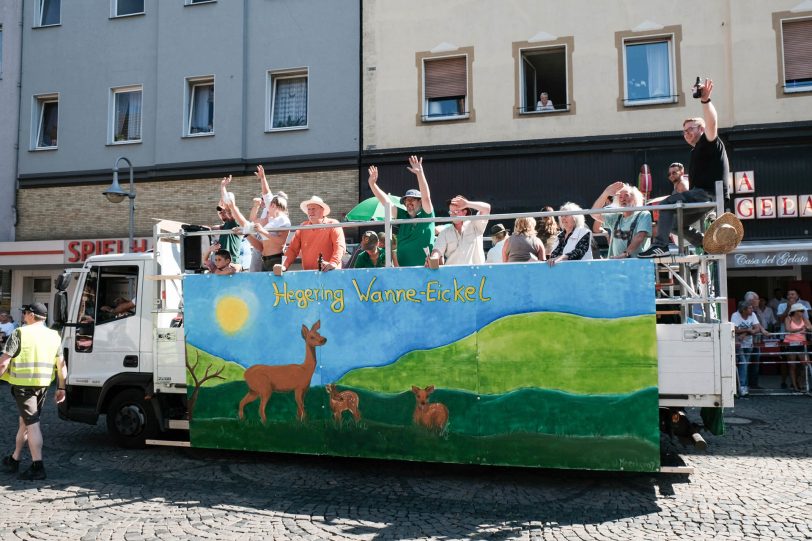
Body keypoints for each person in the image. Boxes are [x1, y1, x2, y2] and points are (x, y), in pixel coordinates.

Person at [639, 78, 730, 258]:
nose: (686, 133)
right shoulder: (696, 151)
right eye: (684, 131)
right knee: (674, 224)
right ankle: (705, 244)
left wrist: (705, 100)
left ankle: (660, 246)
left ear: (701, 130)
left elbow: (712, 123)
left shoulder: (709, 142)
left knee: (667, 204)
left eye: (691, 129)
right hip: (702, 194)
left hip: (708, 193)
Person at [0, 303, 66, 480]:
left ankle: (38, 466)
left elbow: (3, 363)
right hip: (43, 385)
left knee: (32, 423)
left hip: (23, 386)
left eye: (25, 313)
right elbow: (61, 365)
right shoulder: (54, 336)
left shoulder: (20, 333)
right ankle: (15, 458)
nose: (23, 316)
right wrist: (61, 387)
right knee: (25, 422)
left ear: (30, 315)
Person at [367, 159, 435, 267]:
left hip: (425, 269)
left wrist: (420, 174)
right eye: (406, 200)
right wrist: (372, 184)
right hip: (404, 271)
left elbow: (426, 197)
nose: (408, 203)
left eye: (412, 199)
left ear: (420, 202)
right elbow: (386, 202)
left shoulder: (427, 214)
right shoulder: (402, 215)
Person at [280, 195, 346, 272]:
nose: (311, 212)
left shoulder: (333, 224)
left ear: (322, 210)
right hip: (309, 275)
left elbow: (340, 246)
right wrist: (284, 266)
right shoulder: (303, 227)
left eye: (314, 209)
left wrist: (333, 263)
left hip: (330, 273)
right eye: (309, 209)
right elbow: (292, 249)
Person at [590, 182, 652, 258]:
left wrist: (624, 254)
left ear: (635, 198)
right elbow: (594, 214)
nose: (623, 199)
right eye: (620, 197)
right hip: (616, 263)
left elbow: (640, 237)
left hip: (637, 264)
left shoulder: (643, 214)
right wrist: (605, 193)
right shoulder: (615, 217)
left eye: (626, 195)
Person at [430, 195, 491, 266]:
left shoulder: (475, 224)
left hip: (476, 274)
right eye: (451, 212)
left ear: (465, 212)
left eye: (456, 212)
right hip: (454, 275)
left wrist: (468, 203)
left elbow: (487, 208)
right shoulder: (445, 232)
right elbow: (437, 250)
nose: (452, 215)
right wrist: (434, 258)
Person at [731, 300, 767, 398]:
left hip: (748, 343)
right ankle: (742, 387)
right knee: (743, 364)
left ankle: (742, 386)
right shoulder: (735, 315)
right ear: (743, 310)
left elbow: (756, 328)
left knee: (745, 365)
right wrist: (748, 329)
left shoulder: (753, 315)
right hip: (738, 344)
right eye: (750, 308)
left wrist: (745, 333)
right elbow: (734, 329)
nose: (752, 309)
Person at [210, 177, 241, 263]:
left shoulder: (234, 220)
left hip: (231, 264)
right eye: (220, 210)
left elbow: (229, 207)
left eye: (224, 209)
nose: (221, 212)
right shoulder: (225, 225)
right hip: (222, 264)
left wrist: (223, 187)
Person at [783, 303, 812, 392]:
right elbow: (787, 329)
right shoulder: (788, 318)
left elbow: (810, 327)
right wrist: (800, 329)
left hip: (801, 344)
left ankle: (800, 383)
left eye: (803, 310)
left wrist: (808, 328)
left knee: (806, 364)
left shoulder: (804, 318)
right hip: (790, 344)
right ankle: (795, 386)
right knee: (792, 366)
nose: (803, 312)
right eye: (801, 310)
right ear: (795, 311)